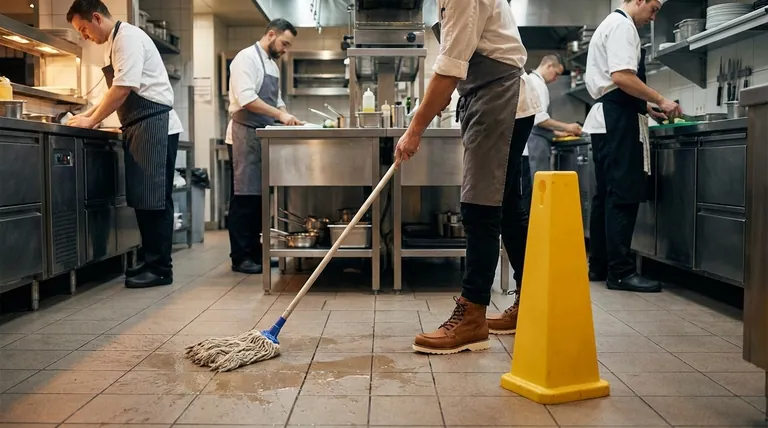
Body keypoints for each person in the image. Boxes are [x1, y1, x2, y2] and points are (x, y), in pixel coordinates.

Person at [395, 0, 531, 354]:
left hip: (500, 99)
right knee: (509, 213)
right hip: (493, 98)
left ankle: (472, 315)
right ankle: (533, 302)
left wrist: (415, 129)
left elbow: (450, 69)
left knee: (479, 209)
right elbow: (457, 64)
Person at [66, 0, 182, 288]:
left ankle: (160, 269)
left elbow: (123, 87)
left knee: (154, 200)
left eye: (83, 29)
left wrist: (92, 120)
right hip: (140, 125)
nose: (85, 36)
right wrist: (90, 115)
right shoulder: (116, 41)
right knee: (145, 199)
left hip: (155, 125)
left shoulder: (127, 38)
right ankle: (150, 260)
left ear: (95, 17)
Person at [583, 0, 680, 292]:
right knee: (621, 195)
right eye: (652, 9)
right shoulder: (623, 26)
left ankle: (600, 266)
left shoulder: (611, 24)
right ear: (638, 0)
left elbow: (617, 83)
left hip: (609, 118)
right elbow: (622, 76)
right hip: (616, 122)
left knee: (606, 196)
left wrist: (645, 106)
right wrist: (661, 99)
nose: (653, 17)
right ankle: (622, 272)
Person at [225, 19, 302, 275]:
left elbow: (276, 100)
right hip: (244, 135)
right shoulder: (244, 59)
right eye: (284, 43)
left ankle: (258, 252)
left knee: (260, 199)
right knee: (244, 198)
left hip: (263, 137)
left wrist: (287, 115)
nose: (285, 50)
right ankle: (241, 256)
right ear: (271, 35)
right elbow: (247, 99)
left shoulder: (271, 65)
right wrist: (280, 117)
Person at [523, 54, 583, 208]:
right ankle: (532, 231)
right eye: (556, 73)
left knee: (532, 194)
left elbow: (533, 122)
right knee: (535, 195)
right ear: (548, 65)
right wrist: (568, 127)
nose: (555, 78)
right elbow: (539, 119)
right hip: (532, 149)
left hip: (531, 145)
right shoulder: (537, 84)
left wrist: (558, 133)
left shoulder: (532, 81)